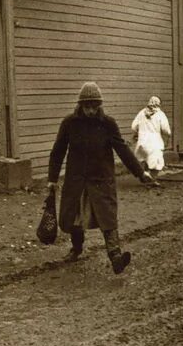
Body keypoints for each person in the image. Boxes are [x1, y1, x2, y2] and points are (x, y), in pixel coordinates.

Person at [47, 82, 155, 274]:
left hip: (101, 180)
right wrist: (52, 179)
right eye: (87, 106)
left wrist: (140, 173)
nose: (90, 110)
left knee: (108, 218)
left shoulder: (107, 124)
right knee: (75, 217)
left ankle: (116, 257)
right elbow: (58, 151)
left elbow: (122, 149)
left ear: (99, 106)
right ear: (80, 105)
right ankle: (77, 249)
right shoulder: (70, 123)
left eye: (94, 106)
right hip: (77, 181)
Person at [131, 96, 171, 180]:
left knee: (144, 159)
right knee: (156, 162)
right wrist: (168, 134)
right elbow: (165, 129)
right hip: (154, 142)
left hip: (142, 142)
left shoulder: (142, 112)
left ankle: (144, 177)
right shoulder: (160, 114)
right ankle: (152, 179)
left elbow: (133, 126)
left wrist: (137, 133)